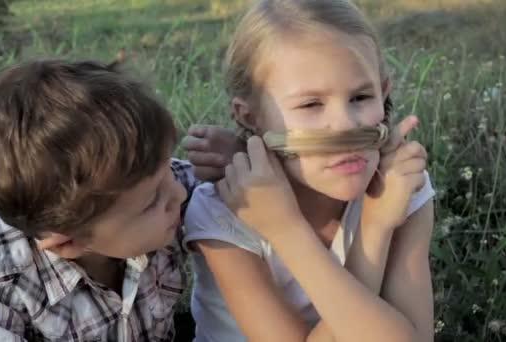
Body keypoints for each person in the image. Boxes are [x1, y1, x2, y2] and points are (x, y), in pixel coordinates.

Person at [183, 1, 436, 341]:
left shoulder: (401, 187)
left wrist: (377, 221)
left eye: (360, 97)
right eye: (311, 104)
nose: (344, 126)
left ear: (384, 91)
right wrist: (288, 230)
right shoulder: (224, 213)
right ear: (249, 117)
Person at [0, 58, 237, 341]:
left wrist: (240, 156)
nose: (180, 193)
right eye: (152, 202)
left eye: (168, 169)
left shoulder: (144, 192)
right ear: (68, 243)